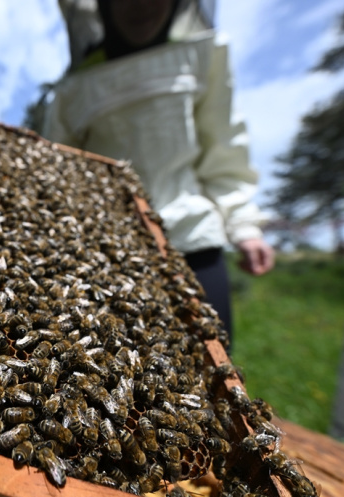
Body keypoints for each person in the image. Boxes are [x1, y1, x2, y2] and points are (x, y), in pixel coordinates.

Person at [43, 0, 275, 339]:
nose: (143, 5)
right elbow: (55, 172)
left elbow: (222, 143)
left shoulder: (201, 56)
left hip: (192, 238)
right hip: (108, 254)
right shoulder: (73, 87)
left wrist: (244, 224)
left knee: (211, 364)